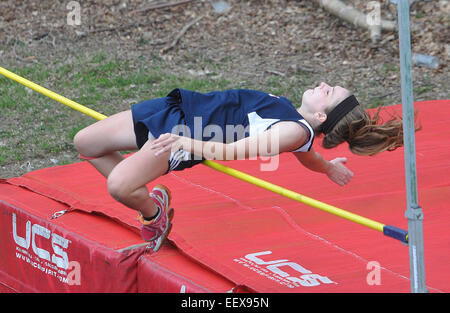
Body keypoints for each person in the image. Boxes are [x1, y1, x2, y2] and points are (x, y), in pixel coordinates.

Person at [73, 82, 406, 253]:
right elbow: (309, 156)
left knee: (118, 186)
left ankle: (152, 211)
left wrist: (184, 143)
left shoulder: (292, 131)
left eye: (328, 92)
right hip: (176, 109)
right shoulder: (293, 121)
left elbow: (230, 151)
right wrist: (328, 168)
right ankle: (140, 186)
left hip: (186, 135)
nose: (322, 84)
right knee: (85, 143)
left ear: (322, 117)